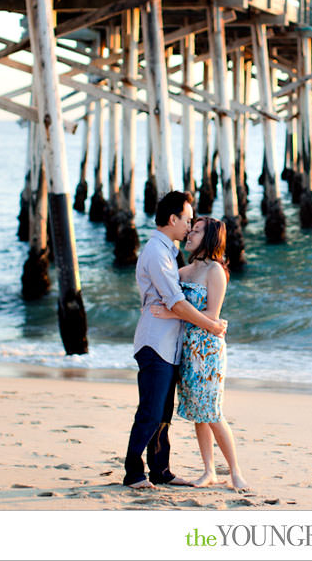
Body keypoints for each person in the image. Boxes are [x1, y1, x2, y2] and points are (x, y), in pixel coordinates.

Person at [122, 191, 228, 489]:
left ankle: (160, 470)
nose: (190, 225)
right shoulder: (157, 252)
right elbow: (176, 302)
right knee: (151, 411)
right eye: (187, 219)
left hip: (170, 345)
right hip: (155, 343)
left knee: (164, 413)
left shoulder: (168, 251)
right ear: (173, 219)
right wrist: (212, 324)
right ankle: (133, 473)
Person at [150, 216, 248, 490]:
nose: (189, 235)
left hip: (207, 350)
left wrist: (171, 312)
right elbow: (167, 295)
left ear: (210, 238)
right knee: (198, 412)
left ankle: (235, 471)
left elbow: (212, 315)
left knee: (213, 412)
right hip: (186, 347)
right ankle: (209, 471)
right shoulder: (184, 271)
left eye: (196, 232)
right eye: (190, 230)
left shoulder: (215, 271)